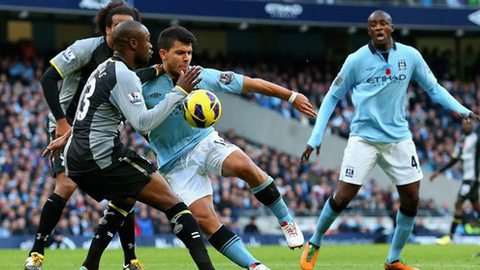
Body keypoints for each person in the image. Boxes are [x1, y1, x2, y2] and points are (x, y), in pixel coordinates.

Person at [299, 10, 480, 270]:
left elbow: (434, 88)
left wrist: (462, 109)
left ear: (392, 28)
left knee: (411, 199)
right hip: (364, 139)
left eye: (383, 23)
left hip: (398, 138)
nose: (379, 27)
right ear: (369, 31)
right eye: (373, 24)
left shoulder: (410, 56)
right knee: (342, 197)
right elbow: (331, 97)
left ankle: (393, 259)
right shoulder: (356, 60)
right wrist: (316, 135)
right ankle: (315, 241)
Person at [44, 20, 215, 270]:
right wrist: (178, 92)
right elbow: (143, 124)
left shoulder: (102, 69)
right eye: (147, 41)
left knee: (125, 199)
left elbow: (88, 113)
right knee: (175, 204)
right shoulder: (123, 75)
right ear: (133, 43)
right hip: (99, 155)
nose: (150, 47)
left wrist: (66, 137)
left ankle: (89, 266)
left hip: (76, 156)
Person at [141, 25, 316, 270]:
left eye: (189, 52)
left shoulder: (200, 75)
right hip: (174, 164)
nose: (187, 58)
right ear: (163, 54)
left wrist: (291, 96)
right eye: (180, 52)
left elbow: (250, 83)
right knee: (205, 220)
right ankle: (255, 266)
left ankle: (286, 221)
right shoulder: (145, 87)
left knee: (245, 166)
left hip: (205, 141)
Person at [25, 2, 161, 270]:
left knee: (126, 186)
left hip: (99, 131)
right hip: (65, 126)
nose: (123, 29)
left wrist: (158, 70)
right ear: (108, 28)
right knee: (65, 186)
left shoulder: (129, 58)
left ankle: (130, 259)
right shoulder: (85, 49)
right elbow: (48, 79)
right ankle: (37, 253)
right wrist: (62, 122)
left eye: (128, 25)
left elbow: (133, 79)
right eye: (118, 25)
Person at [430, 120, 480, 245]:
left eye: (470, 123)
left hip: (473, 178)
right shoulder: (461, 141)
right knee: (477, 208)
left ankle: (450, 236)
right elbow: (454, 159)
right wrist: (439, 171)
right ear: (462, 125)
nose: (467, 125)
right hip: (466, 177)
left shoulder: (476, 137)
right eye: (465, 123)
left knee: (458, 203)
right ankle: (450, 236)